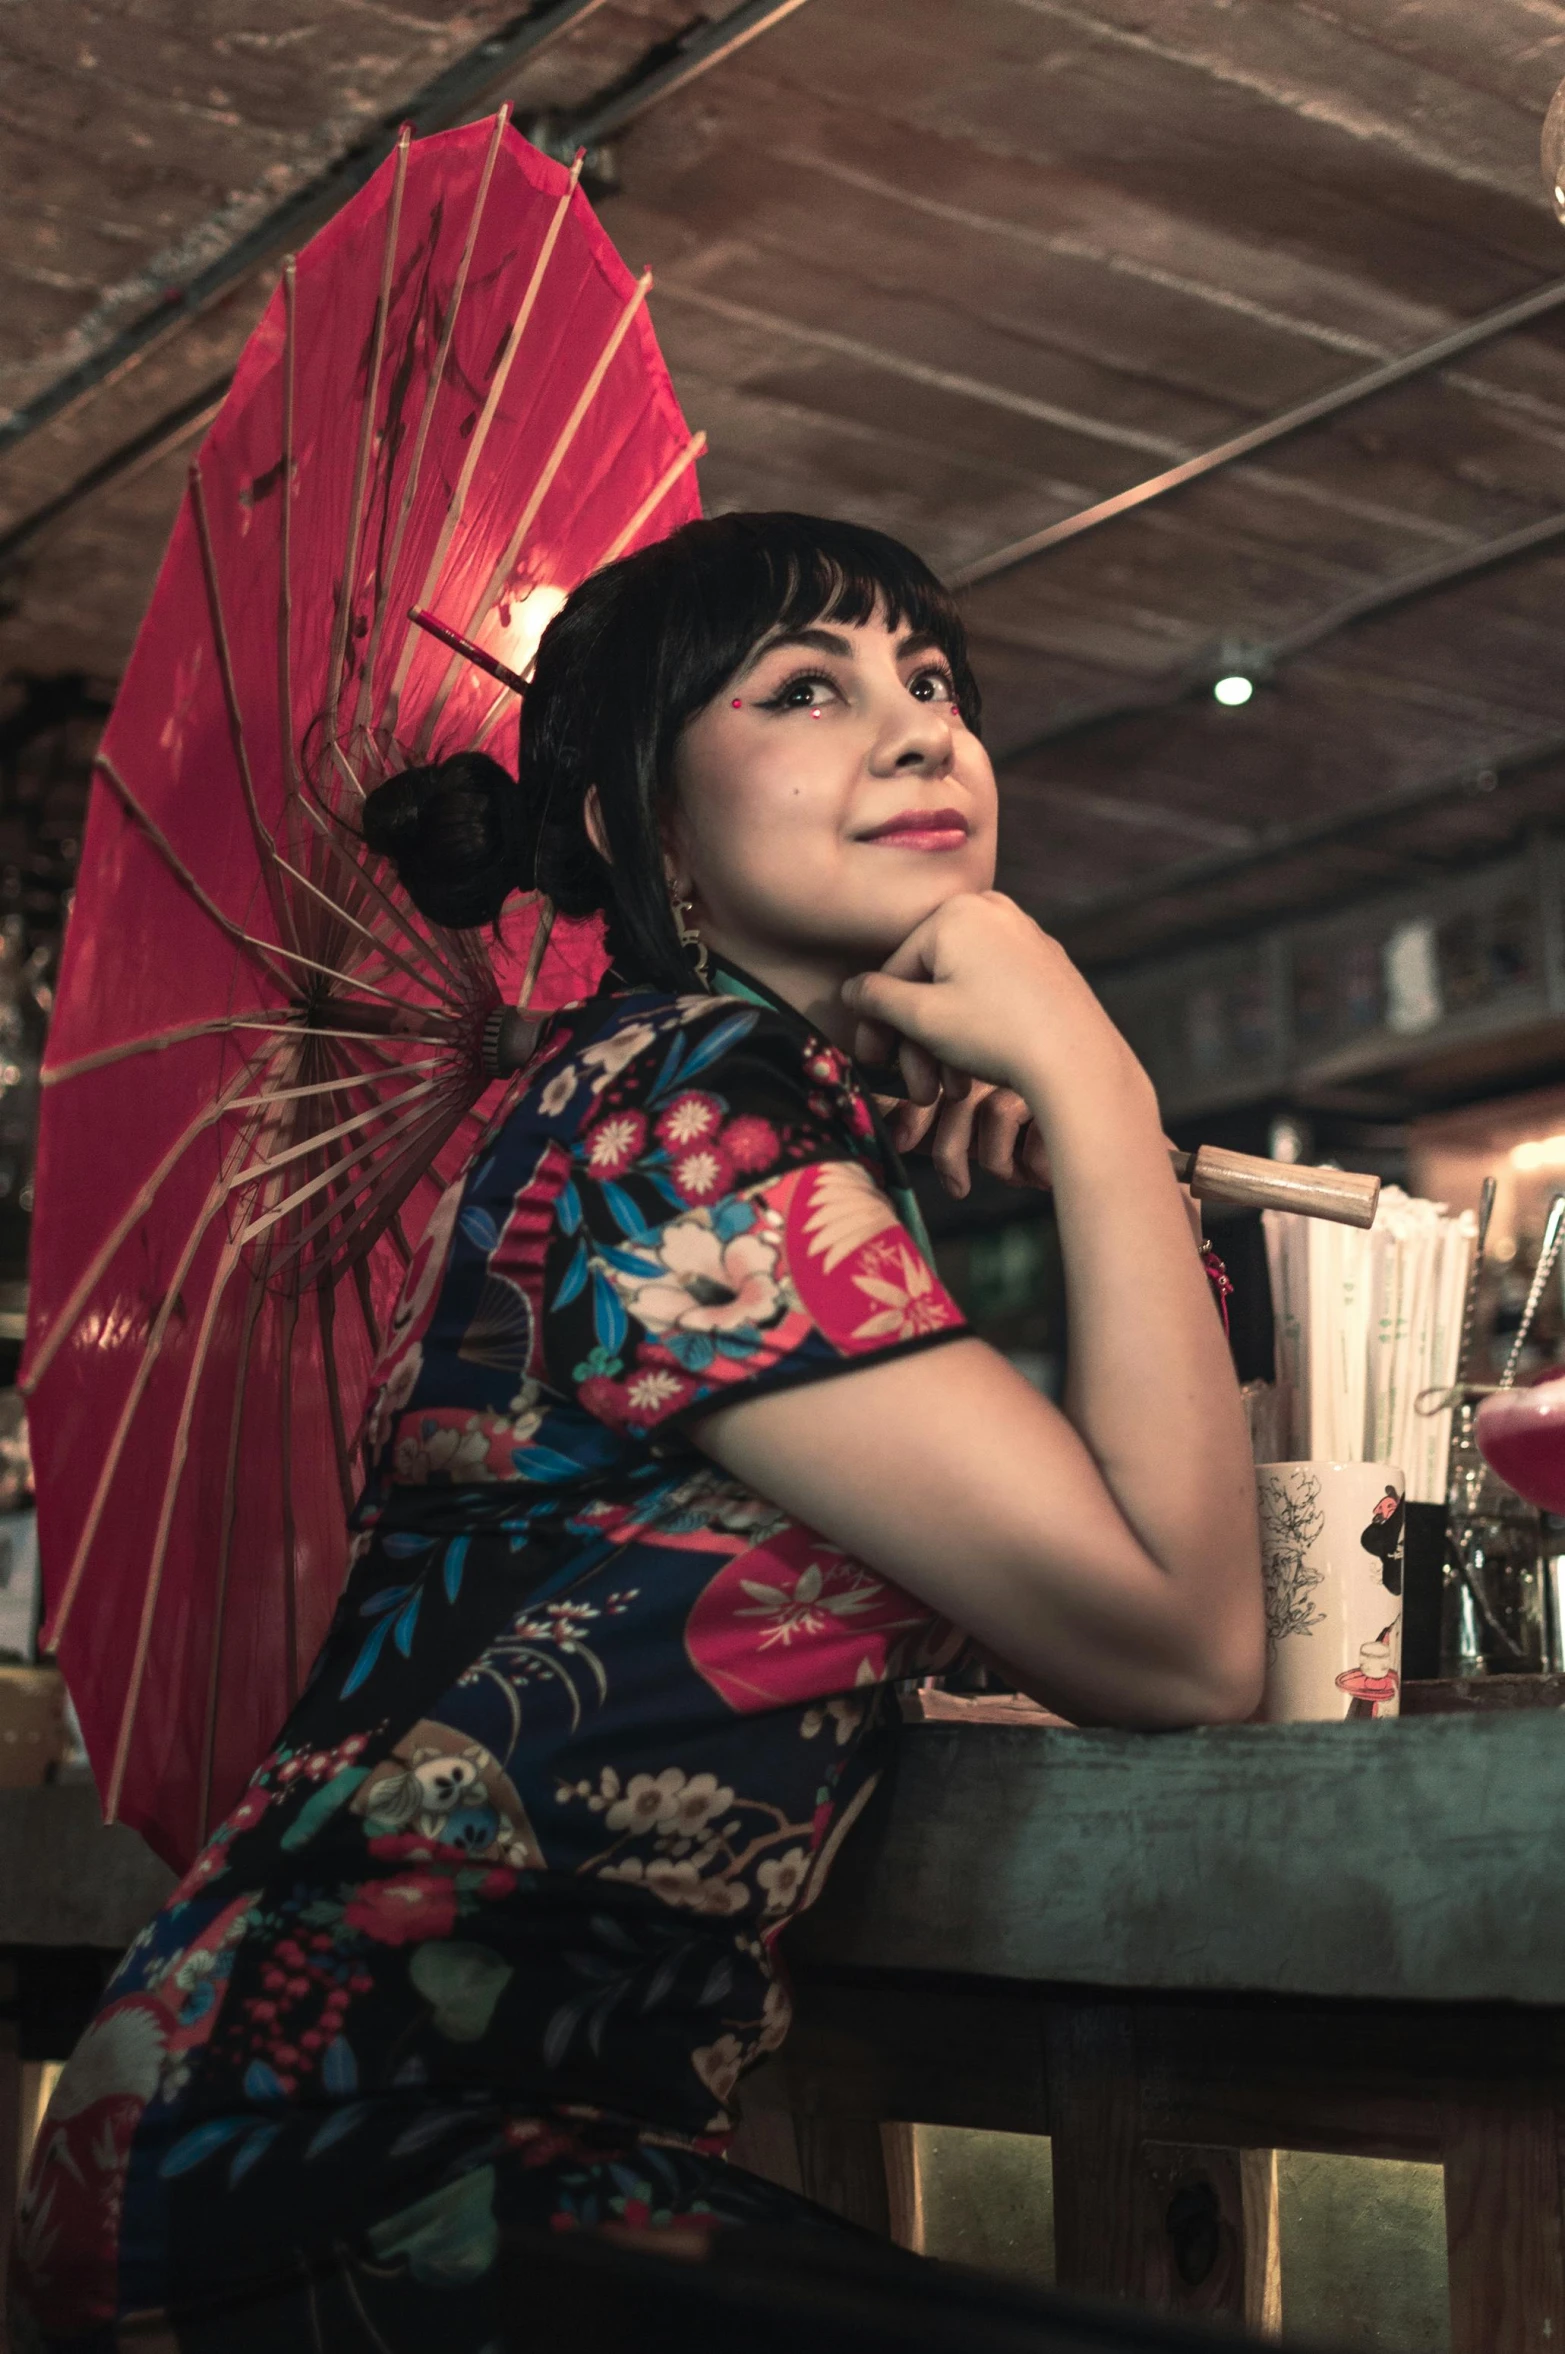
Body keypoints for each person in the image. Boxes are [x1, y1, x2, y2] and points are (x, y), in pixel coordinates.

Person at [12, 513, 1263, 2352]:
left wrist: (1105, 1162)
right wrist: (1094, 1072)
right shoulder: (683, 1118)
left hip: (362, 2147)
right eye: (806, 689)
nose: (921, 731)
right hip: (349, 2170)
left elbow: (1093, 1587)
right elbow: (1181, 1635)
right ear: (639, 826)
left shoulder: (703, 1115)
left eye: (934, 683)